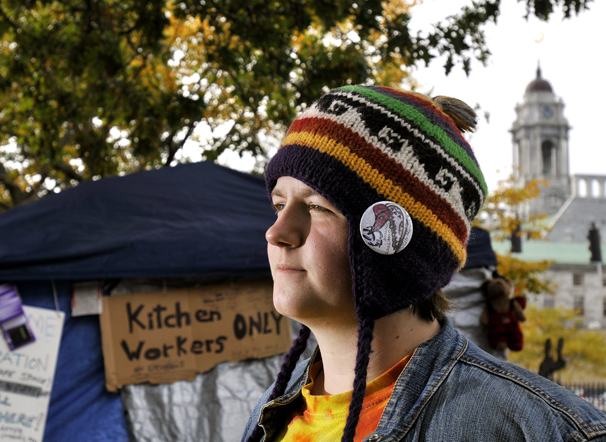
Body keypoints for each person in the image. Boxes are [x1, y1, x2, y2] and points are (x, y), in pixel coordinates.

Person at [242, 85, 606, 442]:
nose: (276, 233)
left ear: (393, 236)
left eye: (318, 206)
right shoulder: (271, 412)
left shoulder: (538, 430)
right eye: (278, 205)